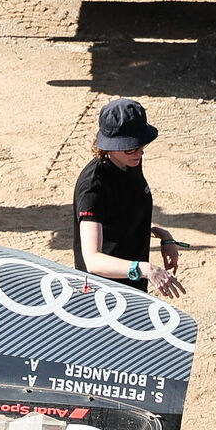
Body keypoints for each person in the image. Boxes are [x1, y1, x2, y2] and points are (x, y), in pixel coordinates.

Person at [71, 98, 182, 298]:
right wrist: (146, 270)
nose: (139, 151)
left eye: (141, 144)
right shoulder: (93, 187)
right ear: (110, 146)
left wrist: (162, 234)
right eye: (130, 146)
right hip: (103, 296)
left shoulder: (129, 161)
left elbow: (122, 215)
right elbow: (93, 260)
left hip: (132, 288)